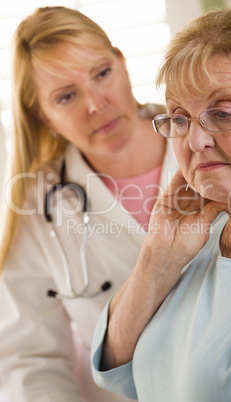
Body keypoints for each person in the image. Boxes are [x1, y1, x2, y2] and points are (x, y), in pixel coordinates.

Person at [0, 6, 177, 402]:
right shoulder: (35, 204)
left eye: (101, 73)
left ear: (123, 64)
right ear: (42, 116)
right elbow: (31, 359)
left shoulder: (207, 141)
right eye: (66, 96)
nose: (96, 104)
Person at [91, 6, 231, 402]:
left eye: (222, 113)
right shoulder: (199, 238)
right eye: (180, 118)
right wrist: (157, 257)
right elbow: (117, 368)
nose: (194, 141)